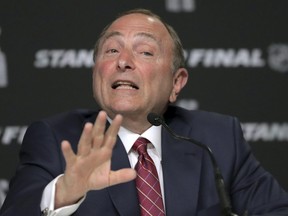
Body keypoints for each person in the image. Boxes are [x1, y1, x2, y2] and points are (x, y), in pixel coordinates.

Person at [1, 8, 288, 216]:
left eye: (145, 52)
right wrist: (64, 193)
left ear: (177, 83)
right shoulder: (57, 138)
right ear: (95, 73)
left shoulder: (217, 138)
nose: (123, 61)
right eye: (111, 50)